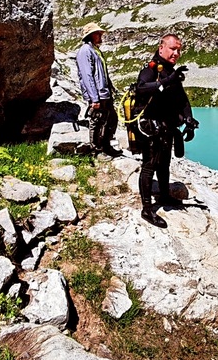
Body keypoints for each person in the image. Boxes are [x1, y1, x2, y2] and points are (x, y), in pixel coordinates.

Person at [134, 33, 198, 228]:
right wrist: (167, 81)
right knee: (149, 165)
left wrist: (188, 118)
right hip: (150, 126)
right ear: (161, 48)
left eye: (179, 50)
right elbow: (141, 89)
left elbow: (182, 98)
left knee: (164, 164)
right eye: (172, 49)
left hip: (166, 127)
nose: (176, 53)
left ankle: (164, 196)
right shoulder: (152, 69)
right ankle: (147, 209)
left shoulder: (171, 71)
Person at [76, 22, 123, 158]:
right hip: (97, 95)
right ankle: (97, 150)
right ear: (91, 35)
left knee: (111, 119)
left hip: (104, 93)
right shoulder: (85, 51)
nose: (100, 36)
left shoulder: (95, 50)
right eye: (98, 34)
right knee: (97, 120)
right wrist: (94, 98)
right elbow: (87, 76)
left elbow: (101, 73)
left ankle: (106, 146)